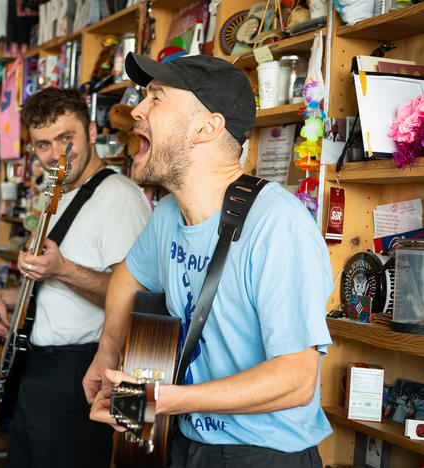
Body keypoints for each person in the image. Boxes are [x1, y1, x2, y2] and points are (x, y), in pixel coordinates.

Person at [84, 53, 334, 468]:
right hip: (185, 442)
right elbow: (129, 274)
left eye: (156, 98)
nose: (136, 112)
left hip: (264, 454)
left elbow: (296, 380)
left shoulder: (277, 224)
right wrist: (108, 350)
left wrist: (167, 400)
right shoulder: (168, 215)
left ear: (207, 127)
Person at [0, 86, 151, 468]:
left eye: (65, 138)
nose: (56, 154)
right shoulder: (53, 193)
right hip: (37, 367)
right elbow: (49, 287)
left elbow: (138, 301)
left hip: (81, 369)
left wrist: (64, 269)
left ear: (90, 131)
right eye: (43, 145)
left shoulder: (119, 197)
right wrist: (3, 297)